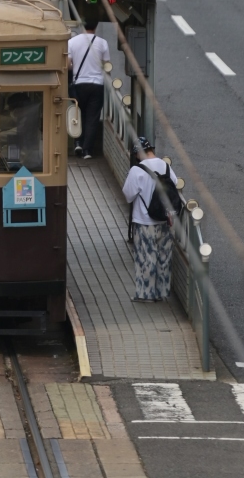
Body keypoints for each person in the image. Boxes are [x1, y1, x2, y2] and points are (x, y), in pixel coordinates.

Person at [122, 138, 174, 302]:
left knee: (146, 257)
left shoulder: (137, 170)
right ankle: (162, 293)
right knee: (164, 257)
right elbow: (174, 189)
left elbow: (128, 195)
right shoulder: (166, 166)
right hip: (165, 220)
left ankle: (146, 294)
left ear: (139, 152)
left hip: (145, 221)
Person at [68, 21, 112, 159]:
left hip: (78, 84)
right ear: (96, 26)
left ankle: (78, 142)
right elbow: (107, 66)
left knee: (78, 114)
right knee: (92, 118)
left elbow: (68, 64)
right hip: (96, 85)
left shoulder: (72, 42)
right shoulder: (102, 43)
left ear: (82, 26)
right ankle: (87, 151)